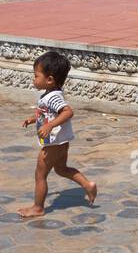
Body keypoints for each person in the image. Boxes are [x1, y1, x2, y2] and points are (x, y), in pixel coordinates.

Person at [17, 50, 97, 218]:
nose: (34, 79)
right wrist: (34, 119)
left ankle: (38, 208)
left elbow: (67, 112)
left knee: (40, 175)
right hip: (61, 141)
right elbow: (48, 113)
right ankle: (87, 185)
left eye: (36, 75)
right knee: (61, 169)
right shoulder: (50, 95)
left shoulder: (53, 97)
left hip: (53, 143)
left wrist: (49, 126)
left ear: (50, 79)